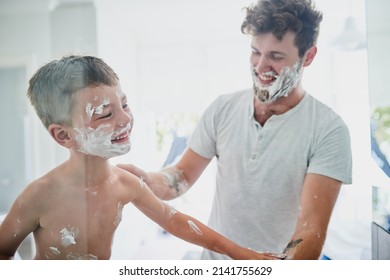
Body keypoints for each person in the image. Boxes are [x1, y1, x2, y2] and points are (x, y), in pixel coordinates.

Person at [118, 0, 353, 260]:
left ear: (308, 56)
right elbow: (182, 176)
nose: (261, 65)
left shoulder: (328, 130)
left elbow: (310, 229)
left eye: (276, 56)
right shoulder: (223, 108)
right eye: (255, 52)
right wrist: (148, 181)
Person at [0, 55, 282, 260]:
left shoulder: (125, 184)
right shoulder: (40, 195)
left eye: (124, 104)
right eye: (105, 114)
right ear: (64, 136)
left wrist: (243, 254)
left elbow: (176, 222)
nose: (125, 119)